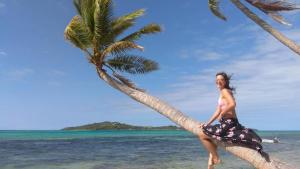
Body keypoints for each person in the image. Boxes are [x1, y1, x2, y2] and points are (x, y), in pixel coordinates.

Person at [198, 72, 263, 169]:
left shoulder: (225, 91)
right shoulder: (223, 93)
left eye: (221, 80)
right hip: (228, 122)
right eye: (217, 80)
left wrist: (222, 113)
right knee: (209, 133)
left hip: (229, 122)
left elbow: (233, 104)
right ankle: (212, 159)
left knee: (202, 135)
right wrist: (208, 123)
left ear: (225, 81)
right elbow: (218, 110)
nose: (218, 81)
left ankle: (215, 158)